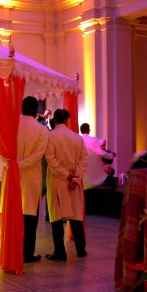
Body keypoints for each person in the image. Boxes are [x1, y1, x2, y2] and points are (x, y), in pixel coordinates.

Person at [45, 109, 88, 261]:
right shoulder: (77, 138)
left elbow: (51, 160)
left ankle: (60, 251)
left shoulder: (50, 136)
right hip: (74, 182)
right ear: (67, 121)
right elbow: (84, 159)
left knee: (56, 216)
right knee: (76, 215)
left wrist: (65, 174)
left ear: (54, 121)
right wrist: (75, 177)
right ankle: (81, 248)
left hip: (58, 180)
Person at [17, 96, 49, 263]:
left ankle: (13, 251)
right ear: (36, 111)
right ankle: (27, 253)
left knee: (15, 216)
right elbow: (38, 155)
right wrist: (22, 164)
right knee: (30, 218)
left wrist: (14, 165)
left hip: (13, 177)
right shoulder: (42, 130)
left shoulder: (12, 127)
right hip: (31, 178)